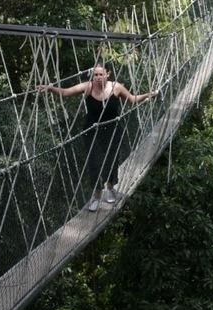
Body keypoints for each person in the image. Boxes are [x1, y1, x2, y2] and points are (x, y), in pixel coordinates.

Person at [39, 64, 157, 211]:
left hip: (112, 130)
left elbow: (132, 99)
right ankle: (96, 195)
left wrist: (147, 95)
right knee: (94, 162)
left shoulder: (116, 87)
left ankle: (110, 187)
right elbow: (65, 92)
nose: (98, 77)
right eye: (95, 75)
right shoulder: (87, 87)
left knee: (111, 160)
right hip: (92, 131)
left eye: (101, 74)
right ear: (92, 76)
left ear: (107, 74)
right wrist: (51, 89)